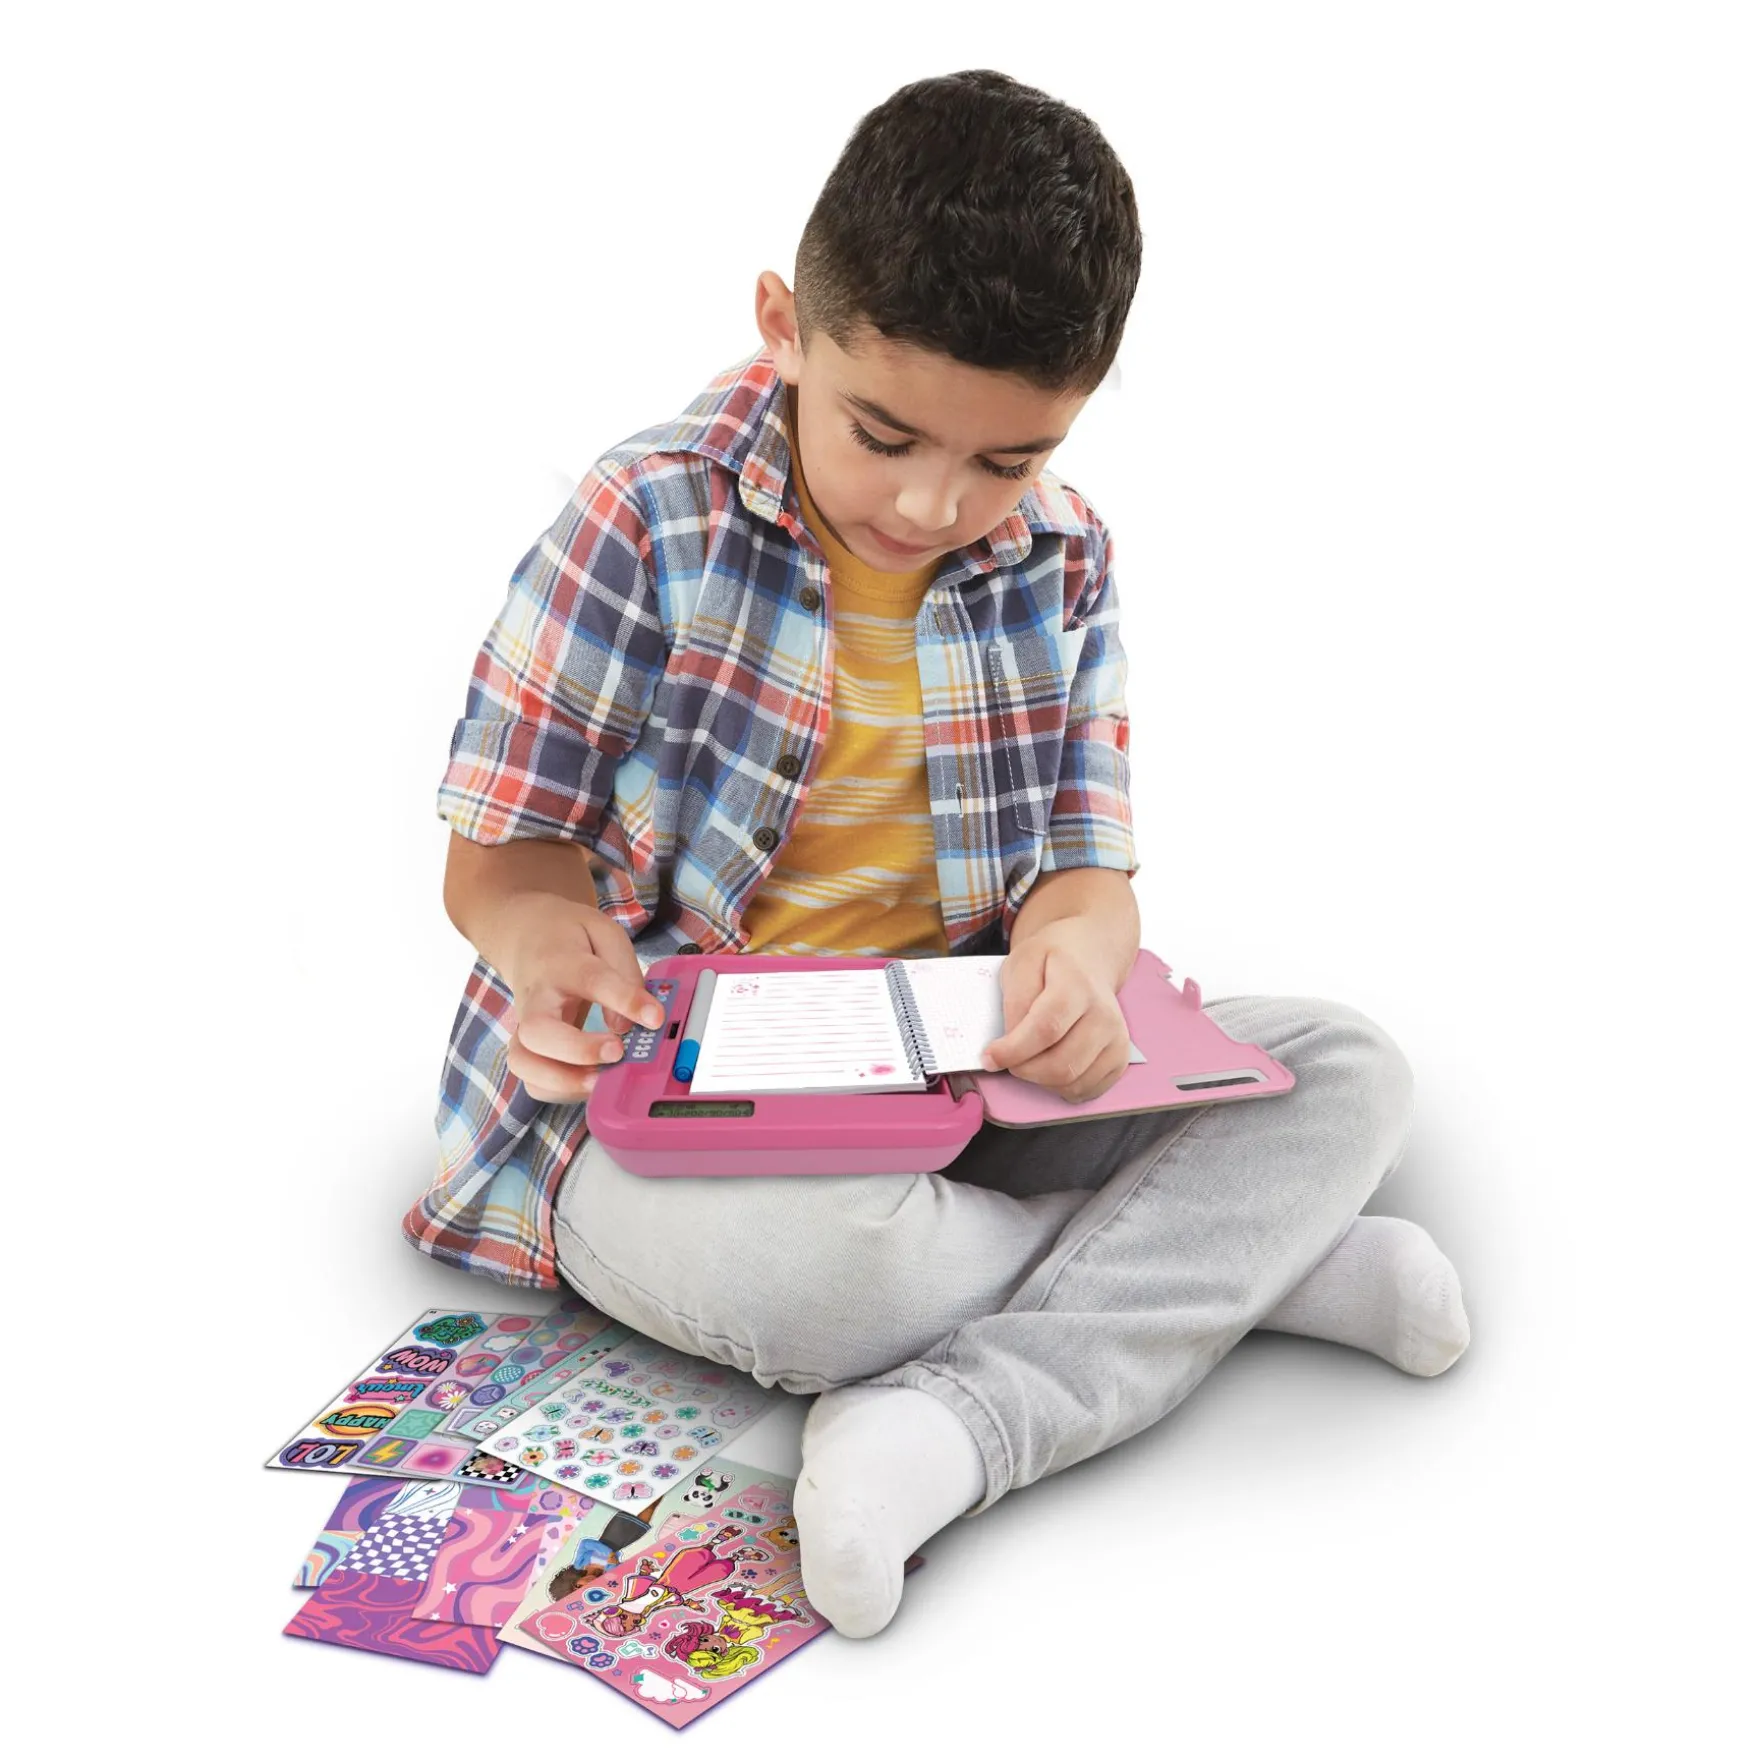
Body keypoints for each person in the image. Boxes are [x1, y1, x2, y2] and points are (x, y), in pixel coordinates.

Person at [405, 69, 1470, 1639]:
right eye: (885, 433)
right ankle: (1246, 1265)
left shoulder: (1066, 554)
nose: (932, 501)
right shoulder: (645, 517)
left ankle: (952, 1425)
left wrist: (1074, 960)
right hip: (664, 1103)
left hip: (946, 1078)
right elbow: (497, 862)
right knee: (844, 1285)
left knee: (1349, 1073)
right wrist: (546, 944)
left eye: (1006, 461)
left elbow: (1087, 872)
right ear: (784, 325)